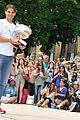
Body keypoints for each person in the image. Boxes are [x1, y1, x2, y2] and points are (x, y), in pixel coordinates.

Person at [0, 4, 20, 113]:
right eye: (8, 12)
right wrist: (10, 40)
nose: (10, 14)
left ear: (15, 14)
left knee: (3, 83)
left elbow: (15, 41)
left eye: (12, 12)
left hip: (9, 55)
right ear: (5, 12)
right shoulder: (1, 23)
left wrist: (20, 44)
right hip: (0, 53)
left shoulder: (15, 27)